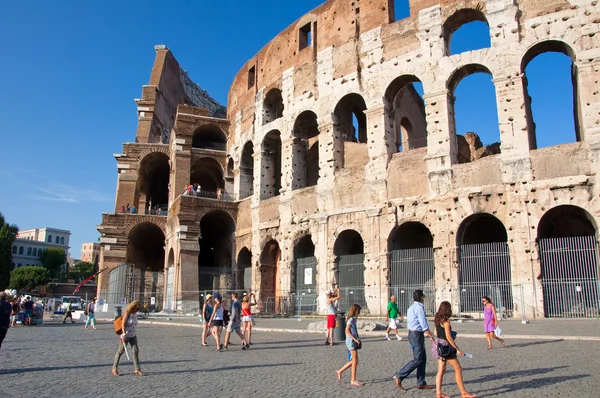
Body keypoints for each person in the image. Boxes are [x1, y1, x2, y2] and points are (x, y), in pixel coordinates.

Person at [393, 289, 435, 390]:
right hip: (416, 335)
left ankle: (421, 382)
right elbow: (423, 323)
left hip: (412, 334)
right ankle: (400, 375)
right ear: (421, 298)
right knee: (418, 359)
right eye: (423, 297)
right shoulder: (419, 308)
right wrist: (430, 336)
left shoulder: (411, 307)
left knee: (422, 359)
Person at [433, 301, 477, 398]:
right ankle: (463, 392)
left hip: (438, 345)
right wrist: (457, 349)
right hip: (446, 347)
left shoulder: (437, 318)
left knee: (441, 370)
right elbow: (448, 337)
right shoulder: (446, 321)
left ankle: (438, 393)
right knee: (458, 368)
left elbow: (435, 333)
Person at [112, 300, 145, 376]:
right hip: (126, 335)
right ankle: (114, 368)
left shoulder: (135, 314)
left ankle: (137, 369)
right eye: (136, 309)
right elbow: (123, 324)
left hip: (133, 335)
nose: (137, 311)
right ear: (133, 308)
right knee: (121, 351)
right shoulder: (127, 313)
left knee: (135, 351)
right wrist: (123, 334)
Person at [335, 303, 362, 387]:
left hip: (353, 341)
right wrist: (354, 339)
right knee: (355, 360)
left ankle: (339, 371)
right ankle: (353, 380)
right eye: (359, 311)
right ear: (356, 311)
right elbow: (347, 330)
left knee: (355, 360)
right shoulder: (351, 320)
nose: (359, 313)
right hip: (351, 341)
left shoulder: (353, 319)